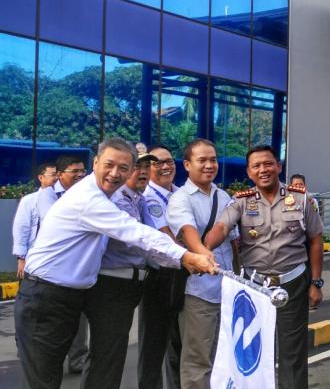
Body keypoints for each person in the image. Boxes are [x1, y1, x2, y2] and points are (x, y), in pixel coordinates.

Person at [14, 138, 218, 389]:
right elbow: (135, 232)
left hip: (68, 296)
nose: (115, 173)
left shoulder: (113, 196)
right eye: (109, 165)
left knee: (63, 372)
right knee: (41, 380)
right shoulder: (90, 199)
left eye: (124, 168)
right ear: (95, 163)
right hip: (45, 294)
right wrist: (186, 257)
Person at [205, 144, 325, 389]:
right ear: (249, 172)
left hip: (293, 283)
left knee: (293, 352)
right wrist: (207, 247)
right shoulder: (240, 202)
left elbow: (315, 240)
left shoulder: (302, 199)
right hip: (254, 288)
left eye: (268, 164)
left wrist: (316, 283)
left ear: (278, 167)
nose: (263, 169)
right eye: (256, 166)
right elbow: (222, 227)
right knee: (255, 353)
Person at [80, 150, 166, 389]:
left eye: (147, 167)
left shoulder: (137, 198)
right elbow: (139, 239)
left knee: (112, 354)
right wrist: (185, 257)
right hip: (112, 285)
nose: (143, 172)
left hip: (129, 283)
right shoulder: (117, 200)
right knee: (106, 355)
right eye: (136, 167)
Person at [166, 139, 235, 389]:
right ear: (187, 165)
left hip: (228, 291)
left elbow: (233, 241)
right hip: (200, 293)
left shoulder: (223, 195)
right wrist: (203, 255)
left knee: (222, 359)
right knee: (197, 361)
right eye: (202, 160)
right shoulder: (180, 199)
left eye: (213, 160)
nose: (209, 165)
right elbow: (187, 231)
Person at [36, 155, 92, 375]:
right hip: (51, 271)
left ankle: (76, 359)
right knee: (54, 324)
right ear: (59, 175)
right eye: (74, 172)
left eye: (82, 171)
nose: (80, 175)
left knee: (79, 319)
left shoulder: (87, 194)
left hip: (77, 271)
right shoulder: (47, 196)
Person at [138, 144, 185, 389]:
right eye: (157, 163)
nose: (165, 166)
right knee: (153, 347)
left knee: (179, 344)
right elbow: (166, 238)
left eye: (169, 161)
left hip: (184, 275)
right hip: (159, 278)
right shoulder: (148, 197)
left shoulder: (180, 194)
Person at [12, 162, 57, 280]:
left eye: (58, 174)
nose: (56, 178)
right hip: (33, 257)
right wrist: (21, 258)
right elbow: (21, 228)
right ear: (41, 177)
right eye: (52, 174)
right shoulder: (29, 200)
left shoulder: (62, 199)